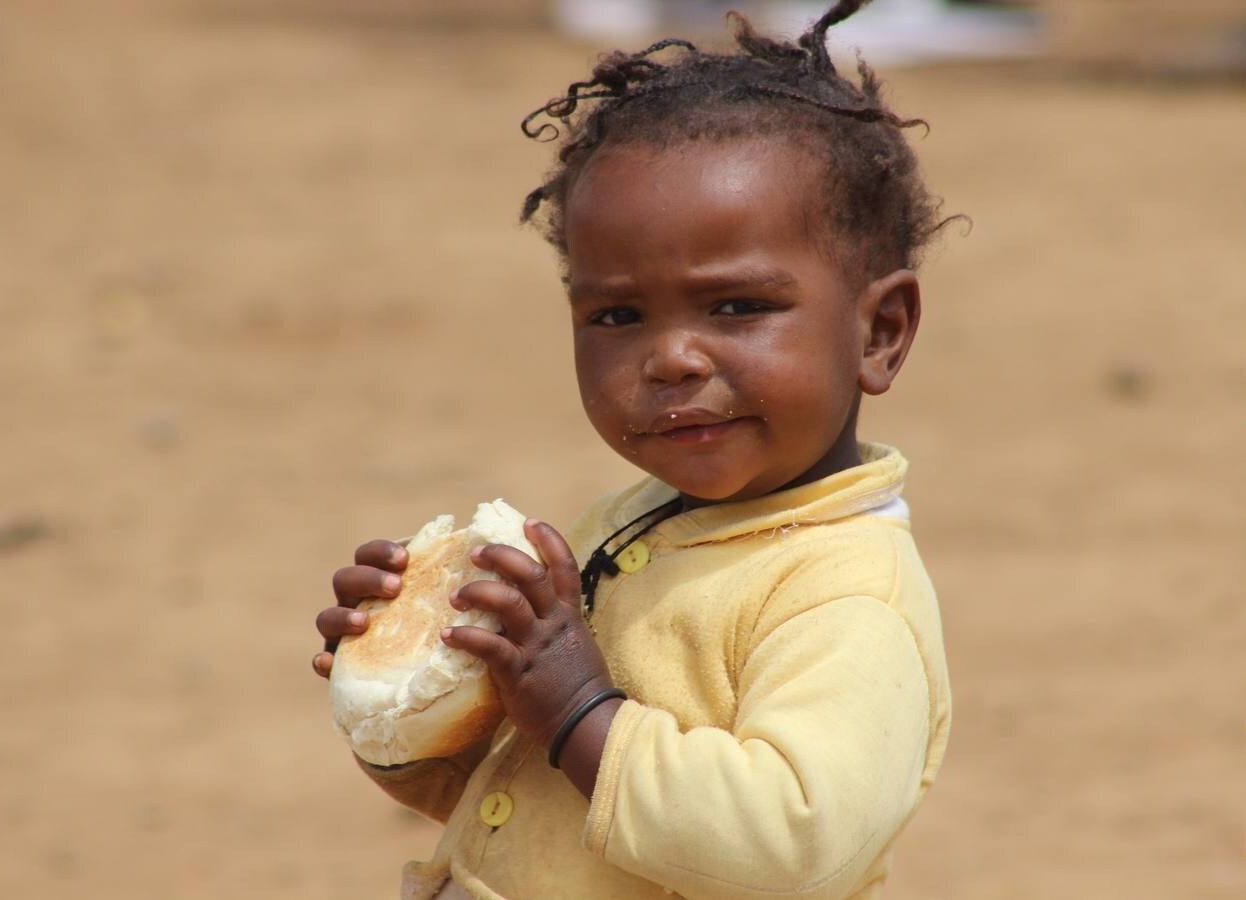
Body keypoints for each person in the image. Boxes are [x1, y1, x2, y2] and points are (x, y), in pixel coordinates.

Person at [313, 2, 953, 896]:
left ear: (879, 330)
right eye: (616, 316)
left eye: (736, 307)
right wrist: (412, 695)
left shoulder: (846, 597)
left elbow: (792, 847)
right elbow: (534, 796)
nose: (672, 359)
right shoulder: (629, 525)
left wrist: (579, 706)